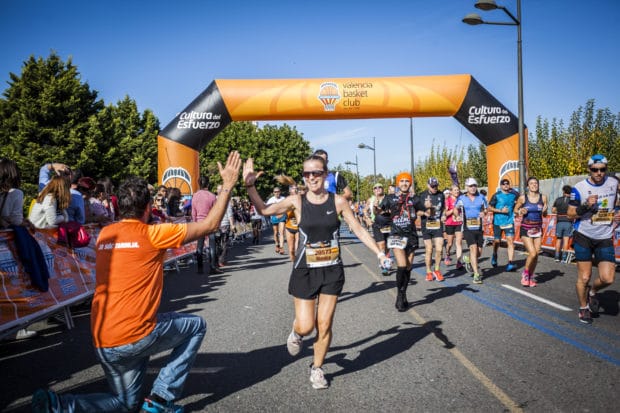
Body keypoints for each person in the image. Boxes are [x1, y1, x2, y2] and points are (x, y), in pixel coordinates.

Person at [32, 151, 241, 413]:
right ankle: (162, 399)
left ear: (119, 205)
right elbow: (211, 225)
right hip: (135, 335)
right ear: (147, 208)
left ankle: (60, 405)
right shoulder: (154, 234)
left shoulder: (106, 233)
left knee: (125, 405)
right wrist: (228, 186)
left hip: (103, 339)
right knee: (196, 326)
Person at [242, 154, 389, 390]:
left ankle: (317, 368)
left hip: (332, 270)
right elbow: (264, 210)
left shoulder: (338, 201)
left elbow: (359, 230)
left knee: (325, 323)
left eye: (316, 172)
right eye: (307, 173)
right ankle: (297, 332)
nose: (311, 177)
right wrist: (250, 185)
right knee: (306, 325)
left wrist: (379, 253)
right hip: (305, 271)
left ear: (325, 174)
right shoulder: (297, 201)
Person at [567, 154, 619, 324]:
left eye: (602, 169)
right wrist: (586, 206)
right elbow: (570, 214)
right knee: (584, 277)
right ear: (589, 170)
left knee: (608, 278)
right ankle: (583, 308)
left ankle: (592, 293)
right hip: (584, 235)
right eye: (595, 170)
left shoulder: (614, 183)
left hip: (604, 235)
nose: (599, 173)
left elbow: (616, 202)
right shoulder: (579, 188)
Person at [0, 158, 38, 340]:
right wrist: (25, 222)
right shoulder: (16, 193)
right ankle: (15, 328)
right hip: (7, 247)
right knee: (14, 287)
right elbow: (15, 219)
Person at [379, 172, 420, 311]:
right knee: (401, 265)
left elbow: (427, 212)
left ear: (410, 183)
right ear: (398, 183)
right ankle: (399, 295)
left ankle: (404, 293)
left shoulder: (415, 198)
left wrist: (429, 209)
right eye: (401, 181)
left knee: (408, 267)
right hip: (396, 235)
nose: (404, 183)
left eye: (406, 181)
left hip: (411, 236)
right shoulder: (390, 198)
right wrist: (376, 209)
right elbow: (379, 211)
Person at [514, 177, 548, 288]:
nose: (534, 185)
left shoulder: (543, 198)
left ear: (538, 185)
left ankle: (531, 275)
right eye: (531, 183)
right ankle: (525, 273)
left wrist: (545, 211)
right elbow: (515, 210)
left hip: (537, 229)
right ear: (528, 186)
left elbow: (545, 214)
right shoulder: (523, 198)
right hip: (526, 229)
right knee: (532, 253)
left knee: (536, 253)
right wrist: (520, 211)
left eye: (535, 183)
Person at [456, 178, 488, 284]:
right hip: (467, 228)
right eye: (470, 186)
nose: (473, 188)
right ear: (467, 187)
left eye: (474, 185)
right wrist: (457, 215)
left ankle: (469, 260)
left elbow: (486, 209)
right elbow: (456, 209)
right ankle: (476, 274)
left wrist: (484, 212)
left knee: (478, 252)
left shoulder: (481, 197)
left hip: (479, 228)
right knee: (473, 249)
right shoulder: (462, 198)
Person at [416, 177, 445, 282]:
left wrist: (444, 215)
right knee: (429, 249)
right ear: (428, 185)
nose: (434, 188)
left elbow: (444, 208)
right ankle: (428, 272)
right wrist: (425, 212)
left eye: (436, 185)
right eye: (432, 186)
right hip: (426, 226)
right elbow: (417, 212)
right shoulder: (422, 196)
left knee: (439, 249)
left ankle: (437, 270)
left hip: (437, 225)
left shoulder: (441, 195)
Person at [488, 178, 519, 272]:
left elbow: (519, 204)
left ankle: (510, 263)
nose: (506, 185)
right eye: (504, 184)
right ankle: (494, 254)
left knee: (510, 241)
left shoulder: (513, 195)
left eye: (507, 184)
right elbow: (489, 207)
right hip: (497, 221)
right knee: (497, 241)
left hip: (509, 221)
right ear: (501, 186)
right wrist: (500, 211)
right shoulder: (496, 196)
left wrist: (517, 210)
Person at [191, 175, 217, 274]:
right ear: (208, 184)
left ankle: (200, 268)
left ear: (199, 184)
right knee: (212, 245)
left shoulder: (195, 196)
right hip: (210, 222)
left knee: (200, 246)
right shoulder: (212, 196)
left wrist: (195, 222)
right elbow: (216, 212)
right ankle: (212, 266)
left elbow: (193, 212)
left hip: (199, 223)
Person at [366, 183, 392, 276]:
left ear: (383, 189)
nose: (377, 189)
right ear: (373, 190)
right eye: (375, 188)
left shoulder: (389, 198)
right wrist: (367, 218)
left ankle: (386, 258)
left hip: (389, 224)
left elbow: (393, 209)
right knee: (381, 244)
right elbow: (366, 211)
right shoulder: (371, 200)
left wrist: (384, 211)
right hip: (376, 224)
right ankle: (384, 265)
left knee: (388, 245)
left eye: (380, 187)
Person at [444, 184, 465, 270]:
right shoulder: (448, 200)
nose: (456, 191)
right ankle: (447, 254)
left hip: (459, 223)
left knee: (459, 242)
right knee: (449, 243)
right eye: (455, 190)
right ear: (451, 191)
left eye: (457, 190)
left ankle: (458, 262)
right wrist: (454, 209)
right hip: (449, 223)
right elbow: (446, 213)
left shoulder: (461, 200)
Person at [215, 184, 235, 267]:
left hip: (222, 225)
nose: (219, 191)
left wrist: (232, 224)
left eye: (220, 189)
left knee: (219, 243)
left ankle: (219, 260)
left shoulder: (214, 199)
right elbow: (230, 215)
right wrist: (232, 225)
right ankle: (221, 260)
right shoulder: (225, 200)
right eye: (219, 189)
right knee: (224, 244)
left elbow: (230, 214)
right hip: (219, 225)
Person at [552, 185, 574, 263]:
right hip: (568, 221)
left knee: (558, 240)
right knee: (566, 240)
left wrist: (559, 212)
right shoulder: (572, 201)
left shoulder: (558, 200)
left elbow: (553, 210)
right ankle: (564, 258)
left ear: (563, 191)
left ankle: (557, 257)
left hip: (559, 221)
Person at [266, 187, 287, 255]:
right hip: (274, 217)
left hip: (282, 216)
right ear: (273, 193)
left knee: (281, 232)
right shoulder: (271, 200)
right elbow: (266, 208)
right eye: (275, 192)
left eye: (278, 191)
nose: (277, 193)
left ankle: (281, 247)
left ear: (280, 192)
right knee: (275, 232)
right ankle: (277, 245)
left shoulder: (283, 198)